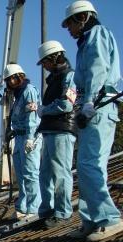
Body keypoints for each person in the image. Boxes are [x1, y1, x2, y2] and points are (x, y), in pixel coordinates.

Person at [62, 0, 123, 241]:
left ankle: (110, 219)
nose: (68, 29)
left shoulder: (96, 34)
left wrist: (89, 103)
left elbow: (98, 69)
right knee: (86, 166)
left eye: (70, 24)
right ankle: (91, 219)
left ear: (83, 18)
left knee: (90, 165)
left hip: (99, 105)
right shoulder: (84, 42)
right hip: (90, 107)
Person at [36, 41, 77, 227]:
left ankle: (62, 212)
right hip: (50, 130)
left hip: (62, 130)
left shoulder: (69, 76)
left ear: (54, 58)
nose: (43, 66)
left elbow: (67, 104)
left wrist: (44, 110)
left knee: (61, 173)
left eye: (44, 62)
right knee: (45, 174)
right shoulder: (54, 79)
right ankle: (47, 211)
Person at [4, 63, 42, 219]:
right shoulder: (18, 95)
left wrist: (30, 138)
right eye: (8, 80)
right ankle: (23, 206)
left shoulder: (29, 91)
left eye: (11, 79)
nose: (9, 83)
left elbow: (32, 118)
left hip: (29, 137)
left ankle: (34, 208)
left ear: (18, 77)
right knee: (20, 173)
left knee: (30, 173)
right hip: (19, 137)